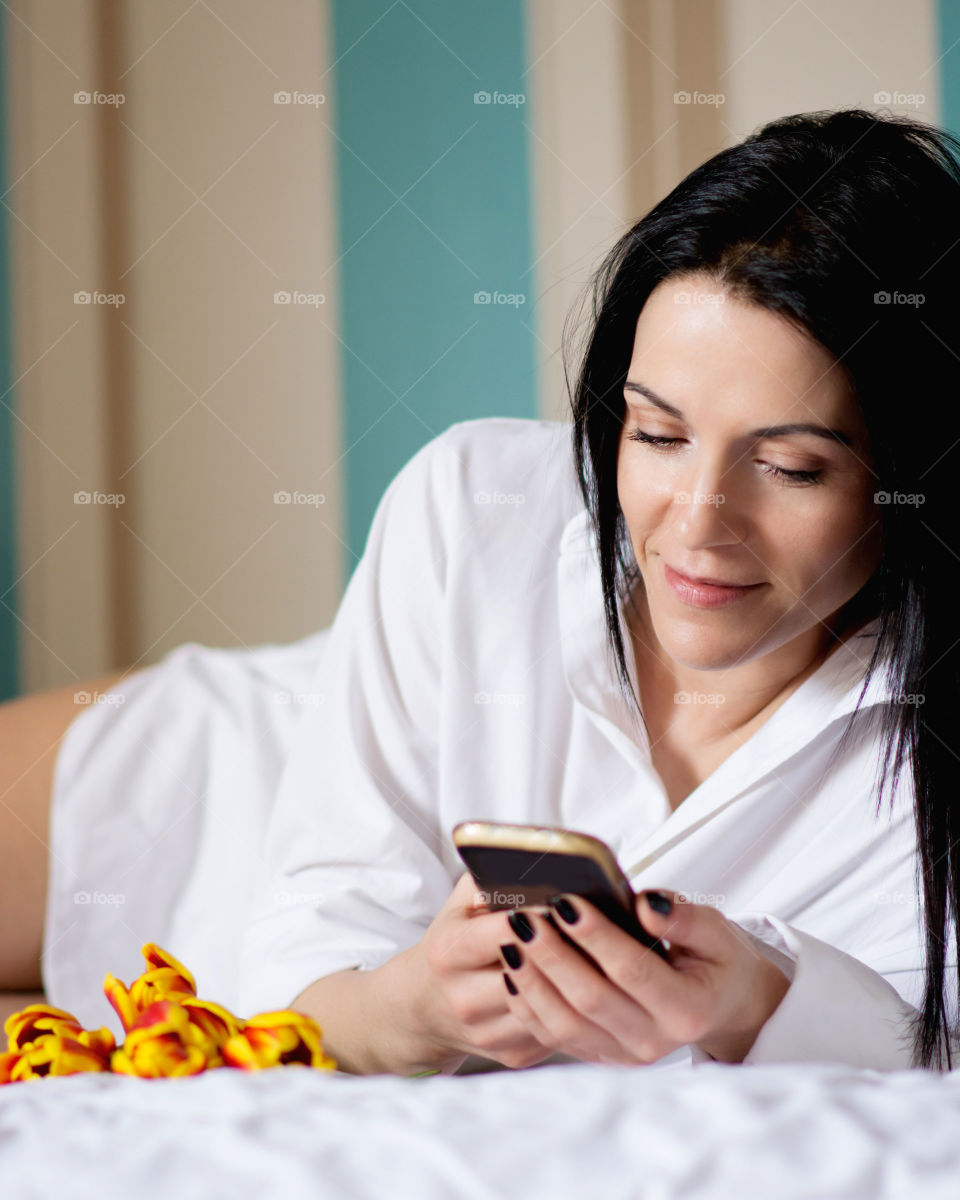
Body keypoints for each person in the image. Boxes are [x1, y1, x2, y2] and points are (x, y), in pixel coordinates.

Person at [2, 107, 958, 1074]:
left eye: (792, 467)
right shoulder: (476, 504)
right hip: (224, 780)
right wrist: (416, 1006)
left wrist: (764, 1002)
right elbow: (306, 952)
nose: (698, 523)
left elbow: (933, 1055)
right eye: (656, 435)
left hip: (220, 1010)